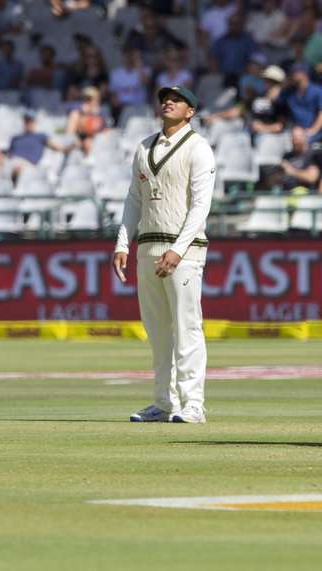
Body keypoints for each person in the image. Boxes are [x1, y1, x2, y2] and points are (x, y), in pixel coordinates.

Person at [113, 86, 215, 424]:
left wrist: (178, 249)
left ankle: (193, 404)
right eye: (164, 98)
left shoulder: (198, 148)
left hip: (183, 251)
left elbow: (201, 206)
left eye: (177, 99)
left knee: (187, 327)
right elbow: (133, 199)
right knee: (157, 330)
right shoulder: (144, 147)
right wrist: (122, 243)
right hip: (148, 247)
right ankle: (164, 400)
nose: (167, 102)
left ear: (190, 111)